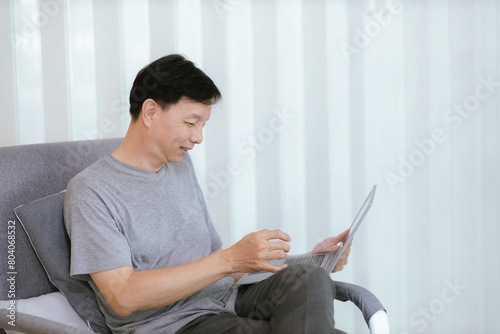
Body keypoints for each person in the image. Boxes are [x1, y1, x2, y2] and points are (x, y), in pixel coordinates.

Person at [64, 54, 351, 334]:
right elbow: (122, 297)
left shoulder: (180, 169)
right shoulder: (92, 190)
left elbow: (222, 267)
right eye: (190, 123)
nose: (198, 137)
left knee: (311, 277)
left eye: (203, 125)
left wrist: (313, 259)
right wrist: (228, 259)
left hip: (228, 299)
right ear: (150, 112)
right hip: (175, 324)